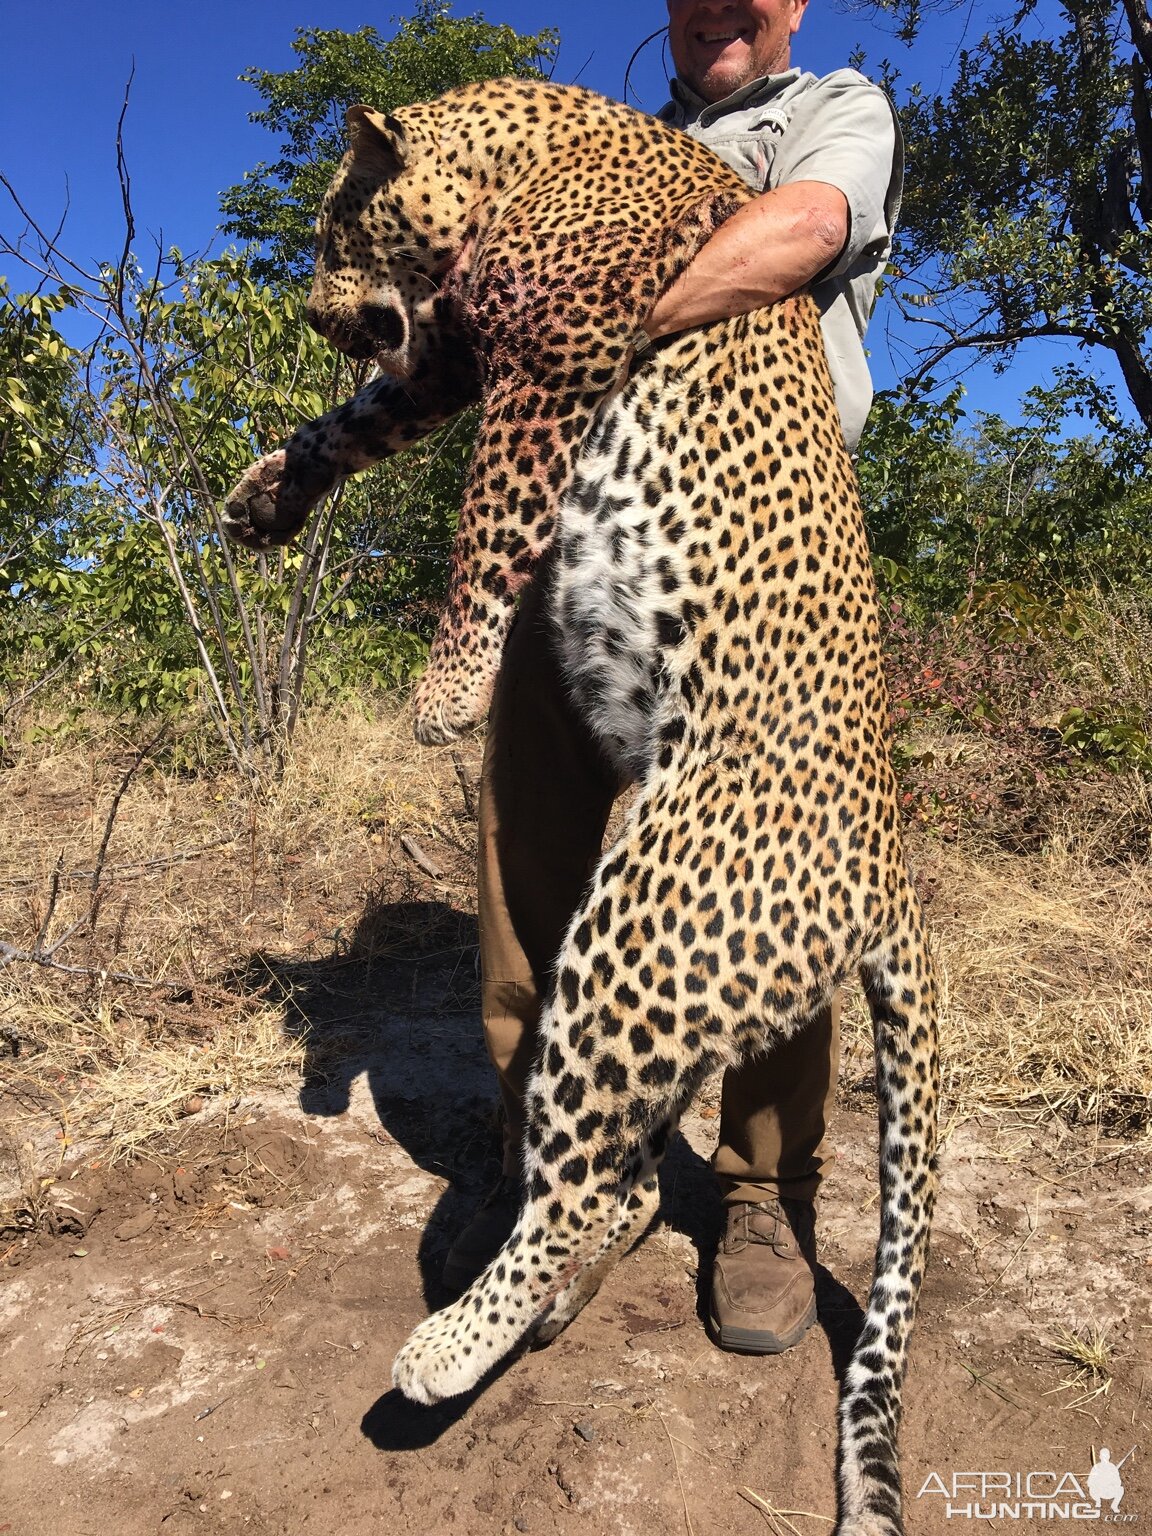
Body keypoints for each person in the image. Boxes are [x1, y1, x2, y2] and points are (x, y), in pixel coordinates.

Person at [443, 0, 903, 1357]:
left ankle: (764, 1192)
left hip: (758, 563)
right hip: (573, 537)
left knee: (768, 877)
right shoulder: (609, 143)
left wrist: (590, 313)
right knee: (533, 863)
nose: (717, 6)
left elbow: (800, 235)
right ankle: (562, 1182)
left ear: (796, 3)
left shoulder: (835, 108)